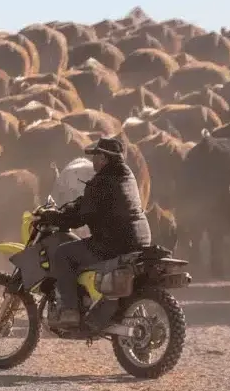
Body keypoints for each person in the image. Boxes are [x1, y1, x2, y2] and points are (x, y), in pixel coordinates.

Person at [43, 136, 151, 328]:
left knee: (63, 254)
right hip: (140, 239)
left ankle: (70, 310)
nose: (92, 161)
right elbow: (89, 205)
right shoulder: (126, 176)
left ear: (103, 158)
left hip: (114, 243)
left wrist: (53, 218)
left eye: (95, 156)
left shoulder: (102, 181)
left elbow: (79, 217)